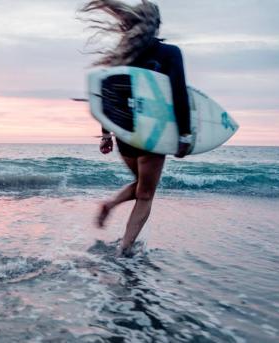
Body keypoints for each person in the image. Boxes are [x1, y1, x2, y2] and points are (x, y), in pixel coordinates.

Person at [81, 0, 192, 256]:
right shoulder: (170, 53)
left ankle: (111, 205)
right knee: (145, 193)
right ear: (156, 25)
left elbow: (107, 97)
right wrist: (184, 134)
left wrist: (106, 134)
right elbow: (178, 94)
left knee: (141, 184)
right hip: (154, 132)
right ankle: (125, 248)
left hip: (125, 134)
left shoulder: (122, 56)